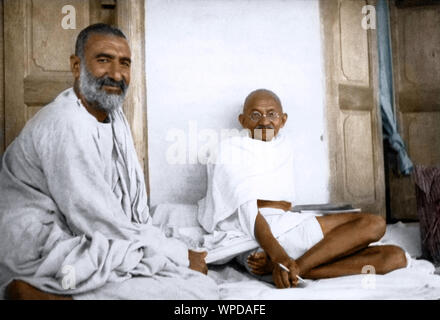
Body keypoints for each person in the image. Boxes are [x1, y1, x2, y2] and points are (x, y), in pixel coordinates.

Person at [0, 23, 217, 300]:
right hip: (39, 245)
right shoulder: (66, 122)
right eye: (103, 60)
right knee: (195, 290)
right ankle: (33, 291)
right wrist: (179, 255)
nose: (116, 74)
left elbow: (129, 214)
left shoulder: (112, 117)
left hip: (82, 233)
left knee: (176, 276)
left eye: (124, 63)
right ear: (77, 66)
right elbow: (98, 222)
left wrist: (162, 249)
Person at [197, 89, 408, 289]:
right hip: (263, 234)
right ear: (242, 121)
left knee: (395, 257)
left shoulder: (282, 146)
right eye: (255, 115)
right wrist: (279, 255)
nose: (264, 121)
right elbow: (248, 211)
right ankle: (293, 267)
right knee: (375, 223)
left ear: (283, 119)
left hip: (288, 229)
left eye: (271, 114)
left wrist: (283, 260)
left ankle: (295, 269)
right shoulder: (230, 150)